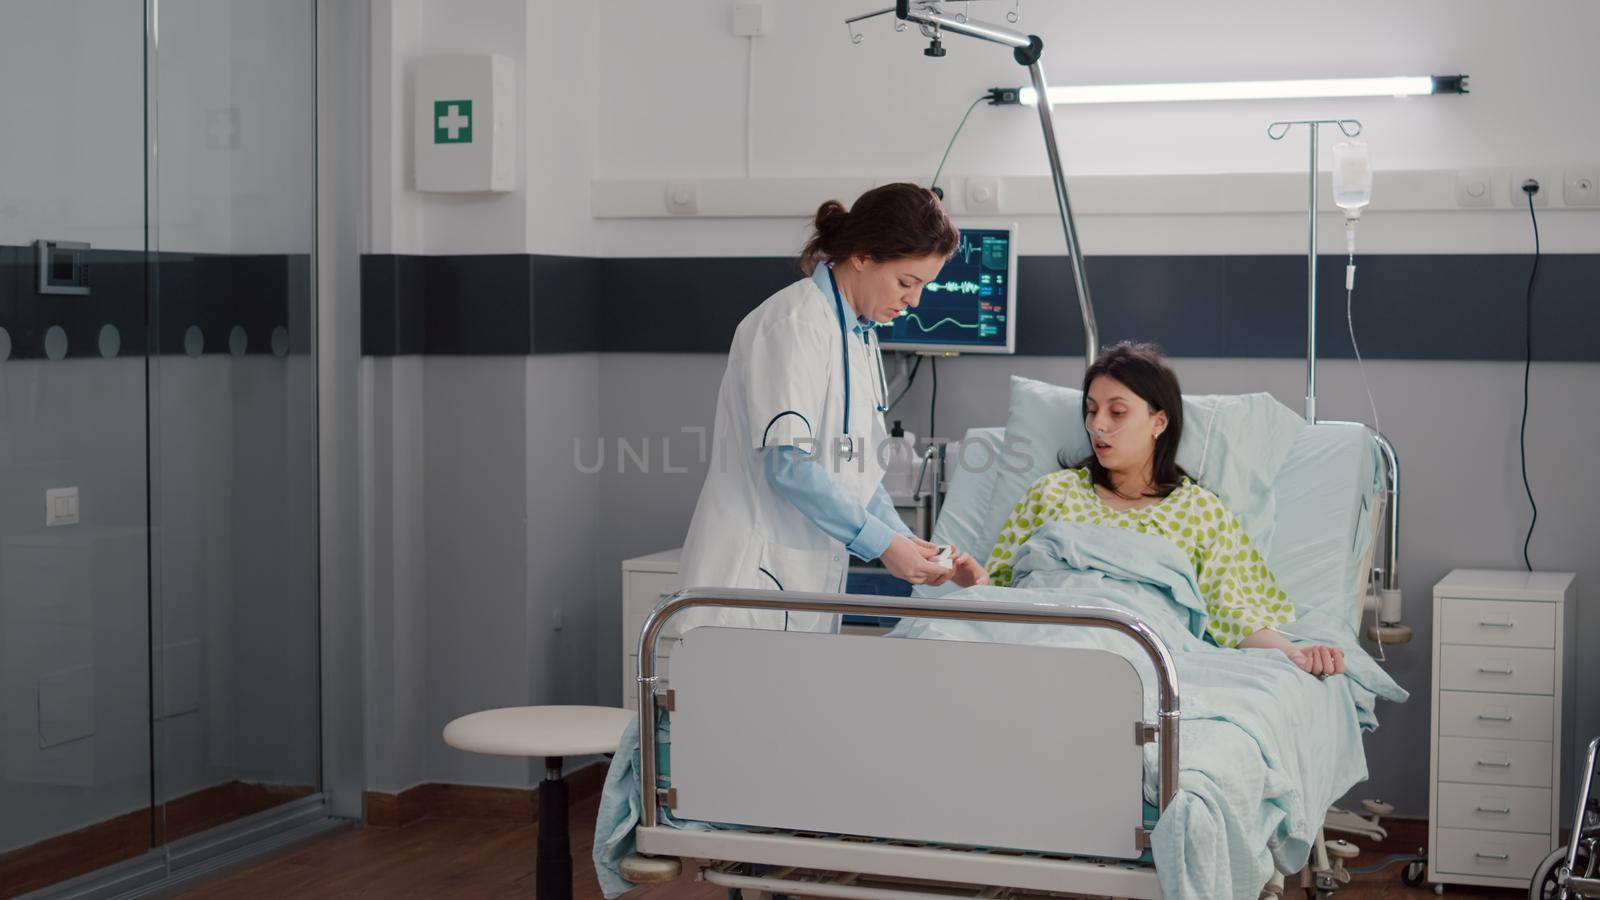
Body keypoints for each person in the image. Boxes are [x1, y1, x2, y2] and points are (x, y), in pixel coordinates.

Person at [675, 184, 970, 633]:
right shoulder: (793, 325)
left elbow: (853, 474)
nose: (915, 301)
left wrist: (906, 541)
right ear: (863, 255)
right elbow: (788, 463)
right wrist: (882, 543)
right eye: (907, 283)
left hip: (801, 584)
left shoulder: (859, 333)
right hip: (749, 584)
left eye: (923, 286)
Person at [949, 343, 1346, 676]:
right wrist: (977, 586)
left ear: (1158, 422)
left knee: (1081, 656)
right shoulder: (1052, 492)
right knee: (936, 640)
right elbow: (1003, 592)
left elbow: (1230, 612)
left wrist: (1293, 652)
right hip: (1036, 630)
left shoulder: (1198, 511)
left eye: (1117, 412)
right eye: (1090, 410)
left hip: (1123, 639)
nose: (1097, 425)